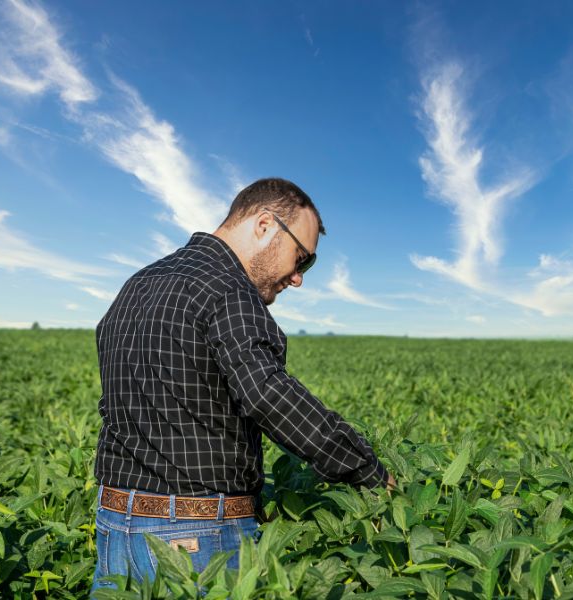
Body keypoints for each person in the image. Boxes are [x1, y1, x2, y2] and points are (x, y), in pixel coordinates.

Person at [91, 178, 394, 591]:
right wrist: (367, 469)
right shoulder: (229, 289)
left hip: (113, 525)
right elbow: (267, 393)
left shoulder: (137, 285)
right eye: (301, 258)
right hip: (194, 538)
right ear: (265, 225)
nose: (299, 277)